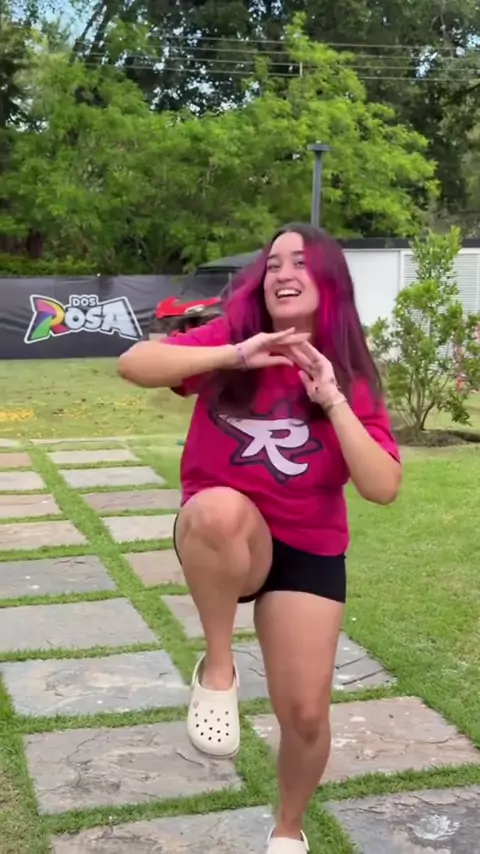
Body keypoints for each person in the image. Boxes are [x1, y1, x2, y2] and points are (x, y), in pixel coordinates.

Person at [118, 223, 402, 854]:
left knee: (305, 715)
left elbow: (382, 486)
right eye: (273, 263)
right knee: (217, 510)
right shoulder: (233, 338)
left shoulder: (351, 374)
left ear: (329, 281)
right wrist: (235, 355)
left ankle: (288, 831)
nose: (282, 273)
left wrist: (332, 399)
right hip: (226, 536)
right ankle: (219, 668)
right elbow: (133, 364)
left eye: (299, 262)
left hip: (306, 547)